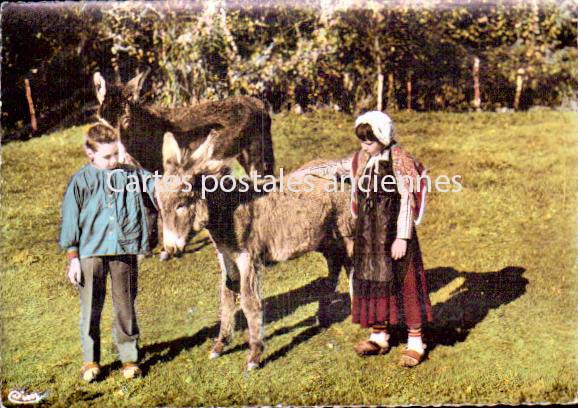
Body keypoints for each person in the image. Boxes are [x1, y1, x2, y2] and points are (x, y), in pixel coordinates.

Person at [298, 111, 432, 367]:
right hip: (369, 232)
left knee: (405, 282)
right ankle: (379, 335)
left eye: (370, 140)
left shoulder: (400, 161)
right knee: (373, 280)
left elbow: (407, 200)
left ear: (383, 136)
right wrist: (304, 174)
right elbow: (337, 168)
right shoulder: (361, 159)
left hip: (393, 232)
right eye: (362, 140)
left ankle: (416, 341)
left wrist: (402, 238)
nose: (365, 145)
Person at [59, 123, 158, 382]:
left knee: (125, 304)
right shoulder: (80, 181)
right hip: (90, 254)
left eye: (116, 154)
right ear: (90, 154)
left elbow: (159, 187)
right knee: (91, 307)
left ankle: (128, 358)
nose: (114, 160)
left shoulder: (132, 174)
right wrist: (73, 259)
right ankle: (90, 360)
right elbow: (70, 221)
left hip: (123, 250)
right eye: (107, 156)